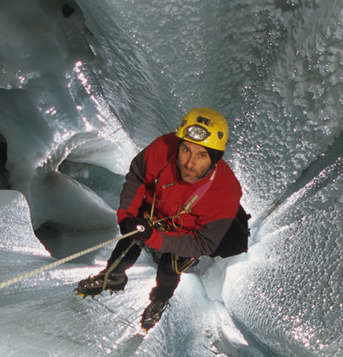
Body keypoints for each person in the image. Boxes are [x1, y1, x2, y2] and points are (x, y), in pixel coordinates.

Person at [77, 107, 242, 331]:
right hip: (155, 210)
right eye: (185, 150)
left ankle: (160, 299)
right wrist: (126, 216)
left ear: (215, 158)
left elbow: (204, 243)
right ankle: (113, 275)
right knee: (130, 235)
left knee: (170, 265)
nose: (189, 163)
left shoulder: (226, 191)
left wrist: (156, 238)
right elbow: (137, 176)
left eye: (201, 155)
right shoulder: (164, 147)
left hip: (185, 234)